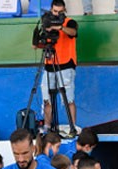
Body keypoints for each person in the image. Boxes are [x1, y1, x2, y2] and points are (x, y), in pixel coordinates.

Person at [34, 0, 78, 133]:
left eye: (60, 11)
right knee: (47, 98)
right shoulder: (46, 22)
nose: (57, 14)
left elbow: (73, 32)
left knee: (68, 99)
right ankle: (47, 127)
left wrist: (59, 27)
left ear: (64, 10)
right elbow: (38, 44)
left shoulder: (69, 22)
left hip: (66, 63)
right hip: (49, 64)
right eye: (55, 11)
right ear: (51, 10)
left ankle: (72, 127)